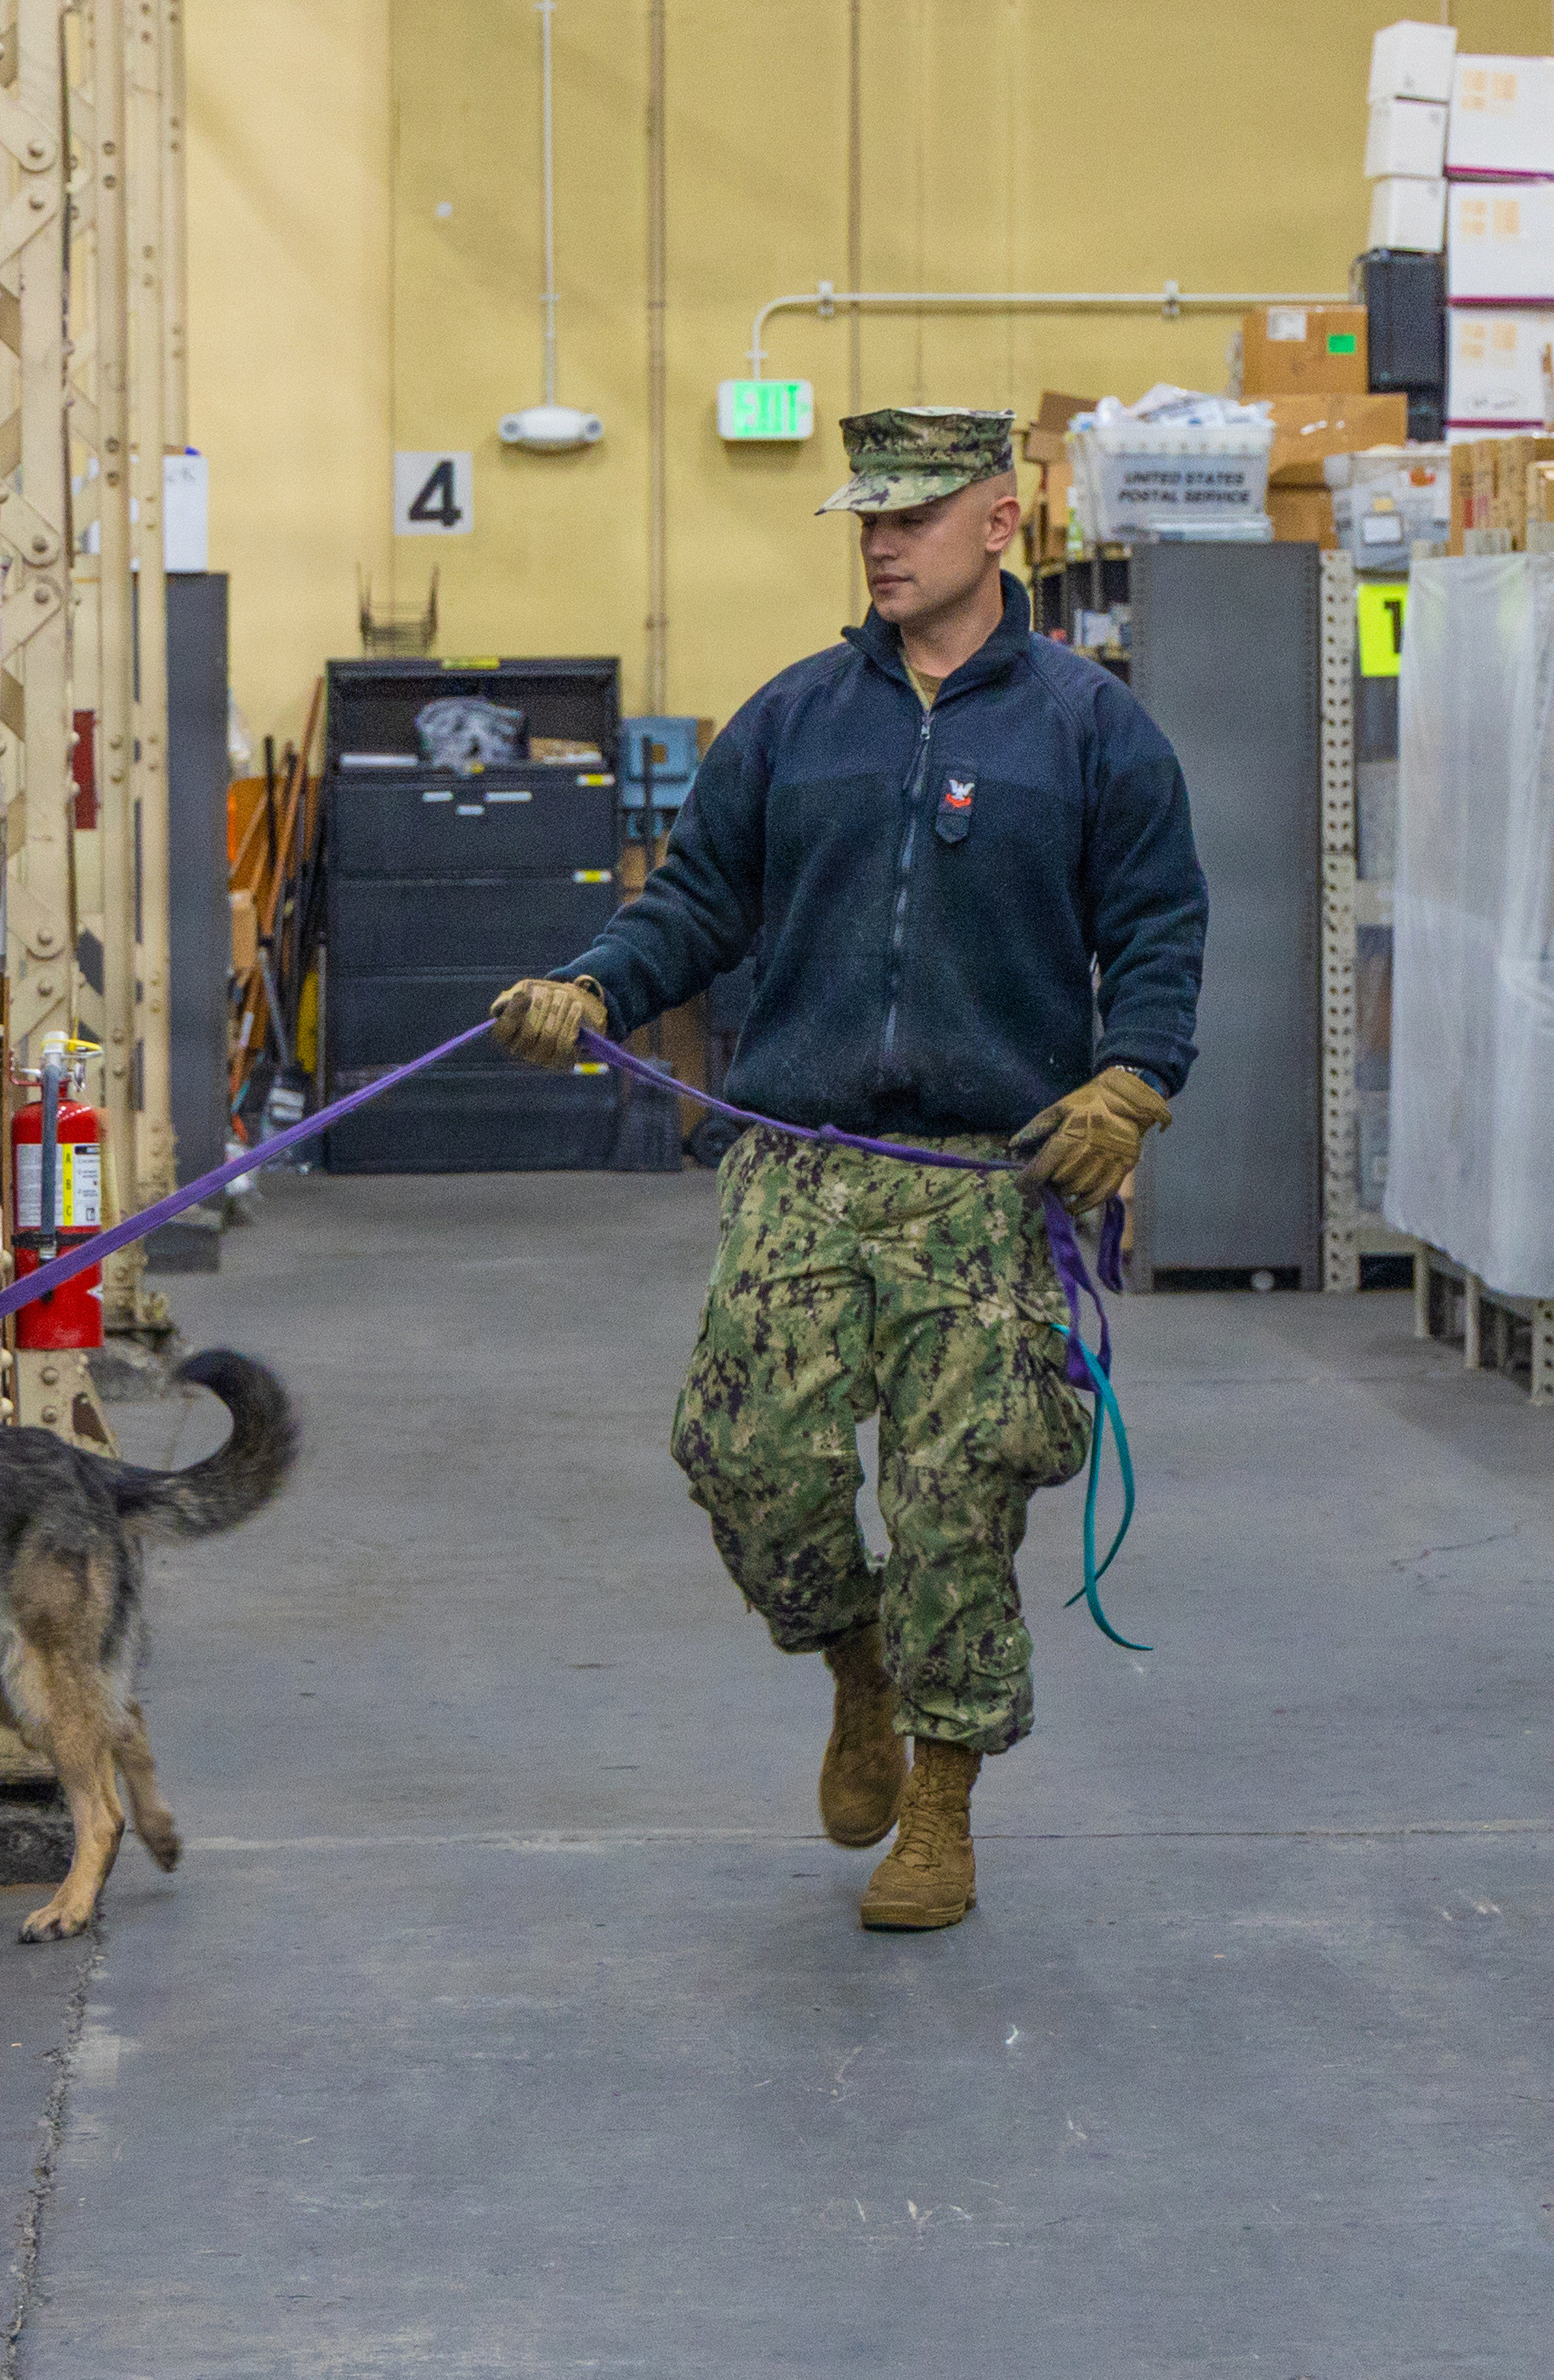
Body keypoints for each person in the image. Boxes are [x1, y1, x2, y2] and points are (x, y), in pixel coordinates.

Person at [492, 405, 1207, 1932]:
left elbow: (1157, 924)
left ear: (1000, 526)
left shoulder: (1090, 730)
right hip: (801, 1165)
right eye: (866, 519)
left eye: (914, 516)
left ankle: (939, 1809)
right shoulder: (795, 721)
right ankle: (854, 1661)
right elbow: (694, 905)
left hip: (982, 1185)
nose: (880, 541)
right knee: (745, 1458)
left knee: (960, 1497)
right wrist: (595, 986)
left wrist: (1134, 1082)